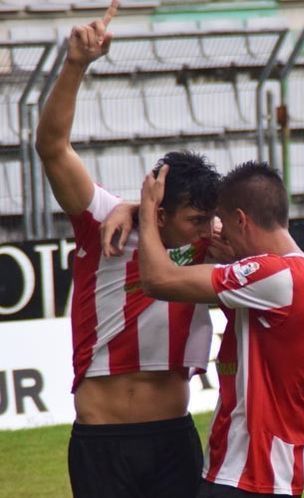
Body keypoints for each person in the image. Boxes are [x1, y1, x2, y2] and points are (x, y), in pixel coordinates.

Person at [35, 4, 220, 496]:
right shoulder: (103, 221)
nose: (204, 228)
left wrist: (141, 205)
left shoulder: (211, 243)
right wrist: (76, 65)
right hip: (103, 438)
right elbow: (53, 147)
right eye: (195, 219)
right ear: (160, 209)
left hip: (173, 436)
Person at [137, 161, 304, 498]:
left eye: (223, 224)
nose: (217, 234)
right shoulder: (298, 274)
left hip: (251, 472)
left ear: (241, 220)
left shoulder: (274, 275)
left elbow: (157, 280)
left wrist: (147, 210)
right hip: (248, 468)